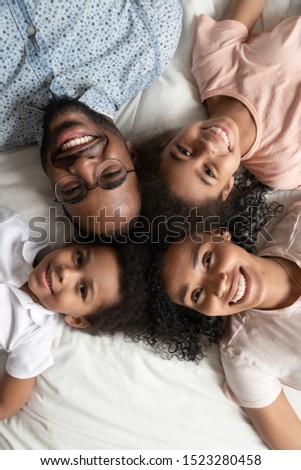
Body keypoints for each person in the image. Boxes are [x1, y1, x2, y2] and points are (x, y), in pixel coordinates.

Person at [1, 0, 183, 236]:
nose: (82, 165)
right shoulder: (151, 38)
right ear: (132, 154)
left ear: (53, 187)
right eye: (110, 174)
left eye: (73, 190)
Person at [136, 0, 301, 218]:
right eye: (209, 171)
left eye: (184, 151)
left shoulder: (213, 66)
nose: (207, 147)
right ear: (227, 188)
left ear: (167, 142)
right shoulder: (283, 167)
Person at [159, 200, 301, 449]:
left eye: (207, 260)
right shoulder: (244, 354)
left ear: (219, 235)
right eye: (196, 295)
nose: (219, 285)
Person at [0, 205, 147, 420]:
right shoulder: (11, 229)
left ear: (77, 319)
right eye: (79, 258)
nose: (66, 273)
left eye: (82, 289)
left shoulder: (33, 335)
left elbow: (6, 404)